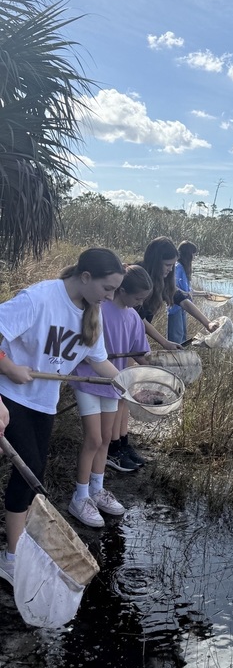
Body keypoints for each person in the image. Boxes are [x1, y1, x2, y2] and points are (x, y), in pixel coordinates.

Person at [0, 248, 125, 585]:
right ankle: (11, 557)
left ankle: (17, 545)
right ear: (85, 277)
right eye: (108, 289)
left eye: (115, 290)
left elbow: (101, 364)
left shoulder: (92, 314)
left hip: (43, 402)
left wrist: (131, 388)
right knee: (28, 474)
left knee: (34, 471)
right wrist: (9, 366)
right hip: (9, 396)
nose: (111, 296)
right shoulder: (40, 298)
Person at [68, 266, 153, 524]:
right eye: (137, 299)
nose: (139, 304)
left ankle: (97, 488)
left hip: (114, 384)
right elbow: (83, 348)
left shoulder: (134, 318)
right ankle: (80, 496)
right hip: (88, 381)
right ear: (122, 289)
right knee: (93, 439)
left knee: (106, 438)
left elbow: (141, 352)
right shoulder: (98, 309)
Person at [138, 236, 219, 348]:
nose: (171, 269)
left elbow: (182, 300)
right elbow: (138, 318)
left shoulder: (163, 280)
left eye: (172, 265)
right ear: (155, 262)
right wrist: (165, 343)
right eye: (167, 265)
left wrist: (208, 323)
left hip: (137, 332)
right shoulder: (139, 277)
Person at [167, 240, 210, 344]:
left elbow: (189, 291)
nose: (194, 257)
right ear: (188, 254)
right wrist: (186, 294)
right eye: (193, 254)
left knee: (182, 337)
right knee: (176, 339)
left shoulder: (184, 268)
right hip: (175, 308)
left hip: (183, 309)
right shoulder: (177, 267)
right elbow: (174, 287)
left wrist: (204, 294)